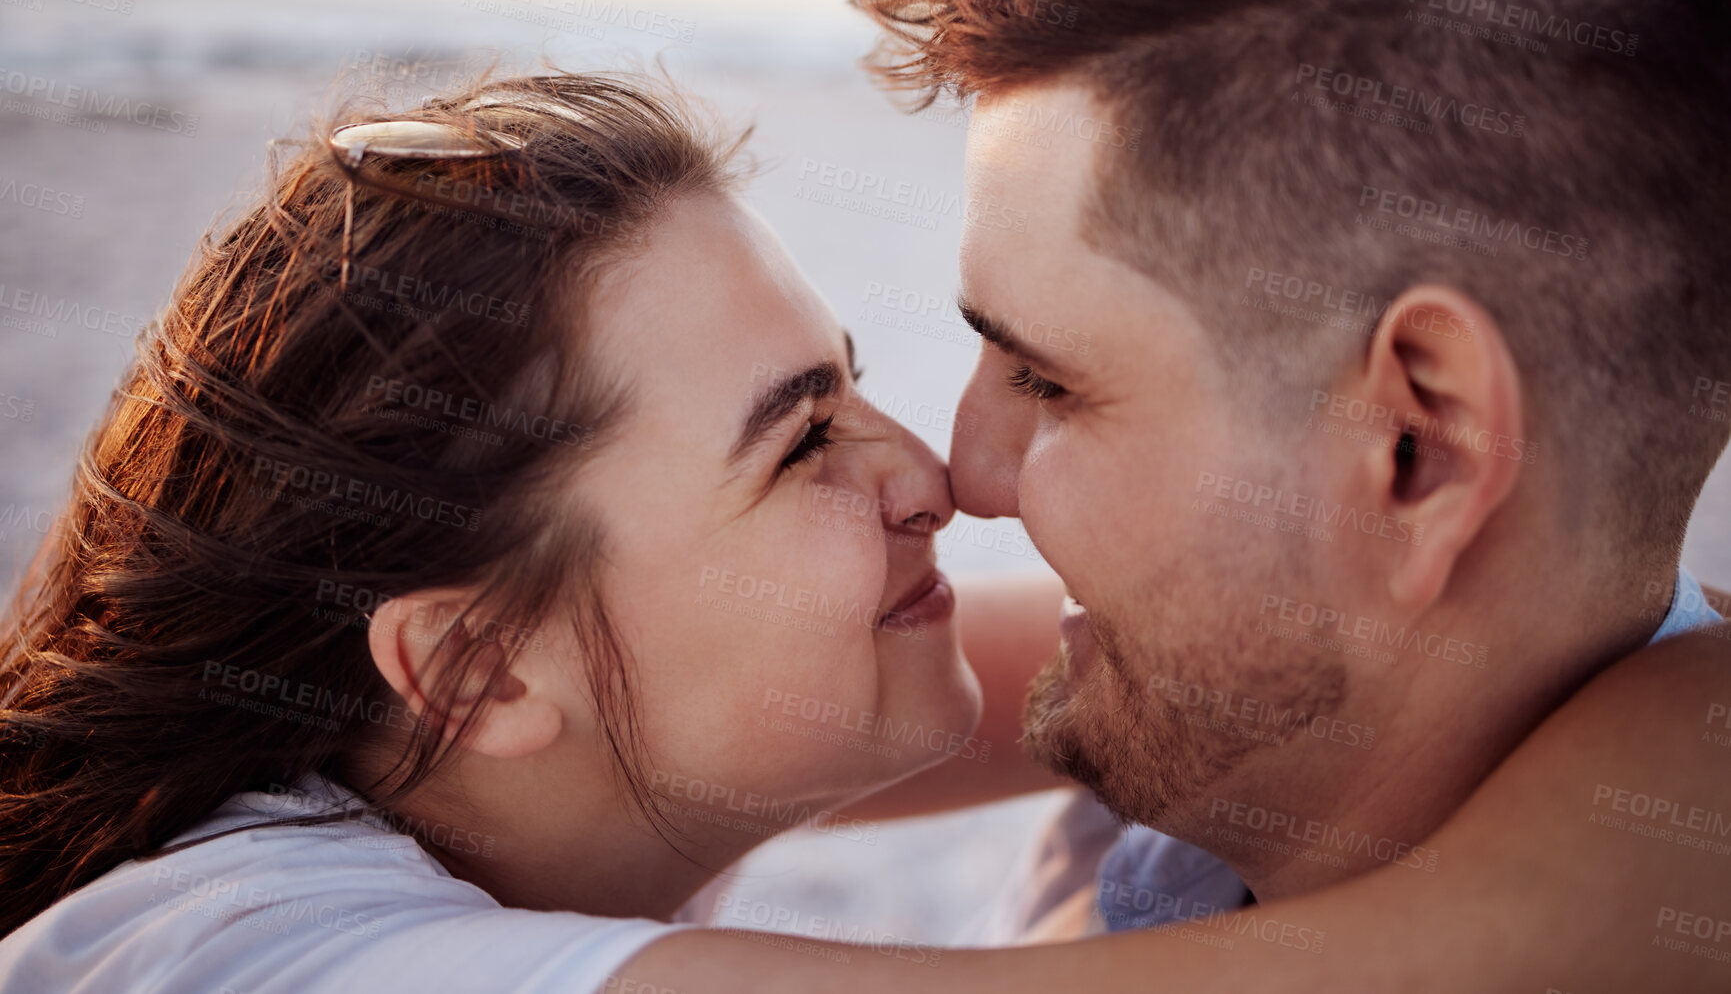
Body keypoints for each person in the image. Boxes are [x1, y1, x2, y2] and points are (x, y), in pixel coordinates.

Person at [0, 65, 1724, 993]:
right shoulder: (241, 958)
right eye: (801, 438)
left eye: (849, 383)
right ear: (468, 665)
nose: (938, 475)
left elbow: (1132, 661)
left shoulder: (526, 758)